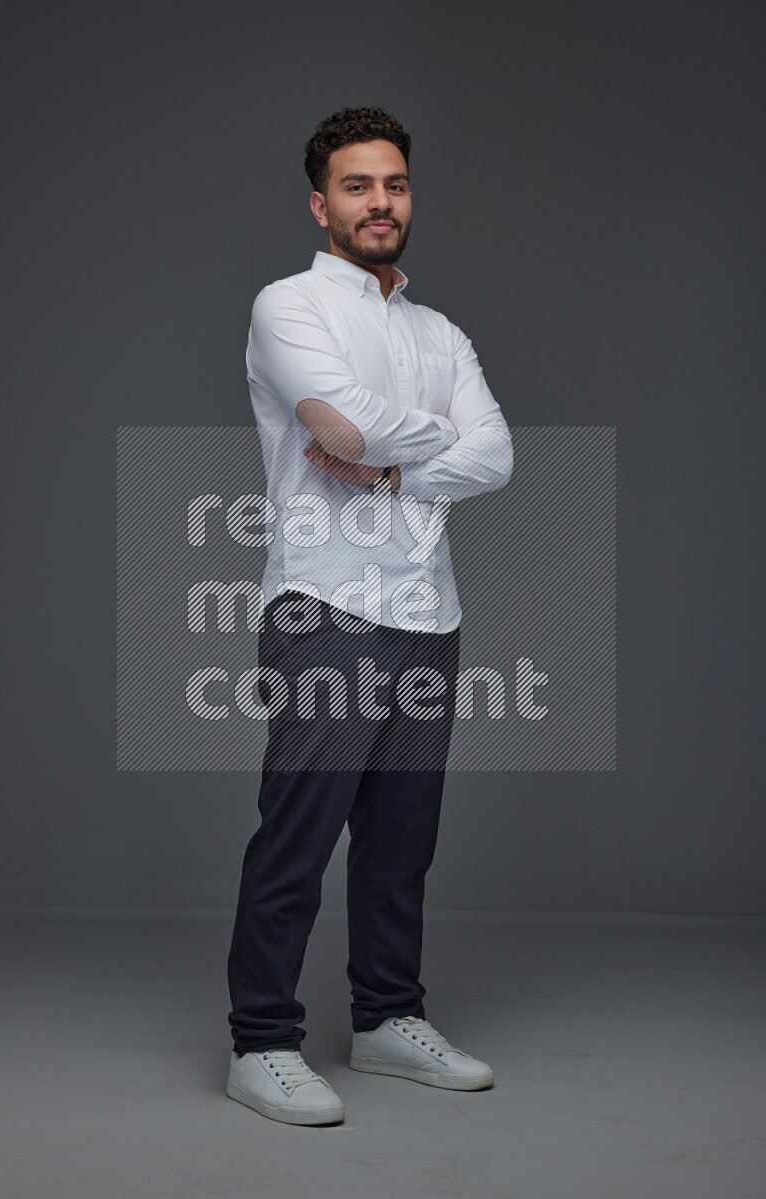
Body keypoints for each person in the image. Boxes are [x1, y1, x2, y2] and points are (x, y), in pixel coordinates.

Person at [225, 106, 513, 1125]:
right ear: (321, 203)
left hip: (426, 610)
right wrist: (432, 439)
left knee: (400, 839)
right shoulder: (288, 307)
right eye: (356, 185)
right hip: (327, 605)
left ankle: (388, 1016)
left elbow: (497, 454)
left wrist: (389, 458)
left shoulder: (440, 332)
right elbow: (335, 419)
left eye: (392, 184)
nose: (378, 202)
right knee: (298, 833)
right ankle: (261, 1038)